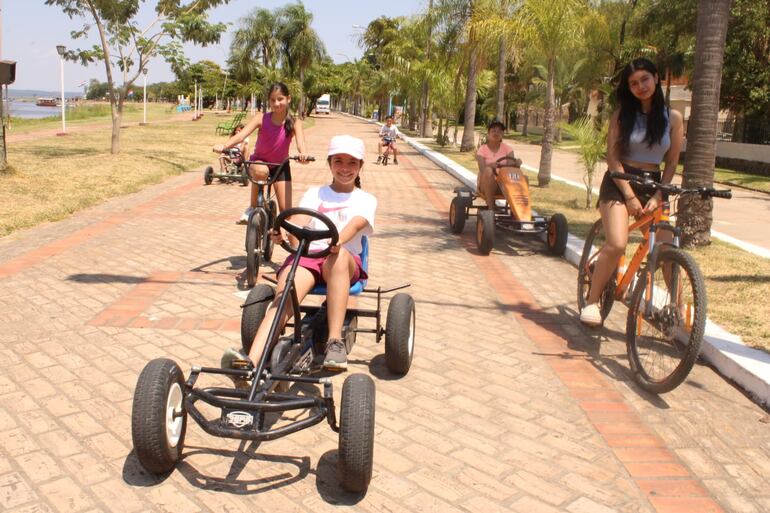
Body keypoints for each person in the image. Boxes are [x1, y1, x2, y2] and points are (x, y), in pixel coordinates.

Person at [224, 135, 376, 373]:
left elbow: (356, 225)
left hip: (343, 262)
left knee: (339, 257)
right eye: (339, 161)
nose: (345, 168)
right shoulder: (316, 193)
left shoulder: (365, 199)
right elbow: (298, 219)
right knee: (285, 293)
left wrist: (338, 241)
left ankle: (334, 341)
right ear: (329, 163)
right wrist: (283, 231)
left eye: (352, 163)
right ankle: (251, 361)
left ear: (360, 166)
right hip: (309, 258)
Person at [579, 57, 684, 327]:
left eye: (644, 79)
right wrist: (629, 196)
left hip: (654, 185)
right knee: (616, 243)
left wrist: (659, 195)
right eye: (633, 83)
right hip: (619, 182)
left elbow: (671, 162)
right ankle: (591, 303)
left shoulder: (673, 118)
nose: (640, 86)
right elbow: (613, 159)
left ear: (656, 78)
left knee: (665, 247)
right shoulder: (621, 116)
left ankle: (676, 309)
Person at [213, 82, 309, 224]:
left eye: (280, 99)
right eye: (272, 100)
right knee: (261, 171)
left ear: (288, 99)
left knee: (286, 214)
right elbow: (241, 135)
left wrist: (303, 154)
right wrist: (224, 145)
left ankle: (273, 230)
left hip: (281, 166)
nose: (276, 103)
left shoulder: (295, 123)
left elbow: (301, 143)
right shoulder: (261, 118)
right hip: (259, 162)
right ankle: (253, 207)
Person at [475, 120, 520, 211]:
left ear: (502, 135)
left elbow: (512, 168)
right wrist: (491, 166)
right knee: (488, 170)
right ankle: (491, 208)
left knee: (524, 178)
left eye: (499, 131)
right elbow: (482, 170)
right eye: (494, 130)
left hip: (505, 184)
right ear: (488, 133)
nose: (496, 133)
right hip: (486, 184)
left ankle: (519, 212)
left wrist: (517, 164)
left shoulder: (508, 149)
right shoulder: (482, 149)